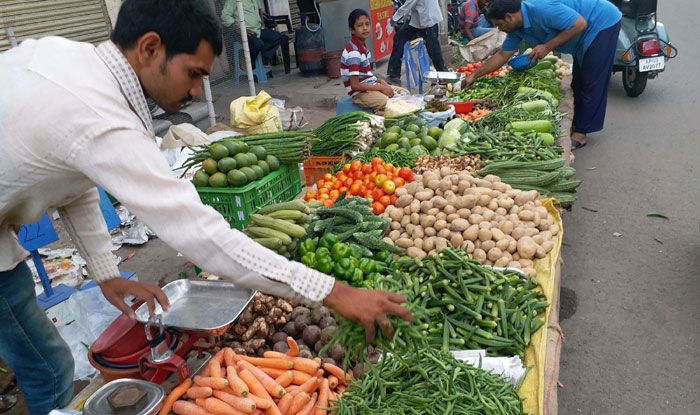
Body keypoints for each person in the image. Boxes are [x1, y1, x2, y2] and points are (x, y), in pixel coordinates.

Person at [0, 0, 412, 413]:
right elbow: (201, 235)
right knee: (51, 371)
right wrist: (333, 291)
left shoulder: (73, 62)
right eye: (193, 74)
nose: (197, 91)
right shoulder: (100, 116)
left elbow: (76, 180)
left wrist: (106, 273)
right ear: (149, 49)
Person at [463, 0, 622, 149]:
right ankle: (577, 123)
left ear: (509, 17)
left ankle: (581, 133)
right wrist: (474, 76)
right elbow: (502, 55)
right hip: (582, 35)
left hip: (601, 22)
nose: (499, 29)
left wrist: (547, 47)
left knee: (592, 80)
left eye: (499, 24)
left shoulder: (541, 8)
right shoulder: (516, 30)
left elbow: (579, 24)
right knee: (578, 82)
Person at [341, 9, 405, 113]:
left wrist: (381, 82)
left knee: (404, 93)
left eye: (367, 24)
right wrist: (380, 87)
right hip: (360, 93)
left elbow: (366, 75)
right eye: (360, 25)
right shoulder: (354, 52)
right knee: (390, 104)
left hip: (370, 86)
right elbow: (355, 85)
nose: (365, 28)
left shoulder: (362, 47)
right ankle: (378, 118)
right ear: (352, 30)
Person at [387, 0, 447, 85]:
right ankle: (394, 75)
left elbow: (407, 5)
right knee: (399, 38)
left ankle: (443, 74)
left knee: (433, 50)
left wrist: (393, 20)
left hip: (428, 19)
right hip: (416, 19)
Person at [221, 0, 288, 70]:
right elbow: (225, 16)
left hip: (258, 29)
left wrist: (262, 25)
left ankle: (264, 58)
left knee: (277, 36)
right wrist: (241, 30)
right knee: (258, 44)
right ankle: (250, 64)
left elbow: (259, 11)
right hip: (243, 32)